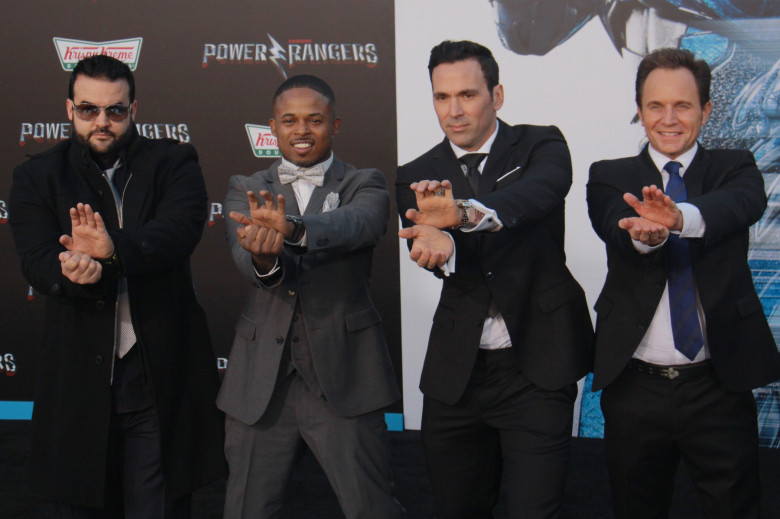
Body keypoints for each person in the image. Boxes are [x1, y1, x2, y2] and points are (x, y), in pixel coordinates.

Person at [8, 55, 225, 517]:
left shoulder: (174, 161)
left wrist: (113, 250)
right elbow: (36, 258)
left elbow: (180, 231)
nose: (102, 122)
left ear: (134, 109)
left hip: (159, 372)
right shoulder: (36, 175)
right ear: (69, 110)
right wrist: (72, 269)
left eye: (115, 110)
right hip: (80, 380)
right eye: (89, 110)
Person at [395, 40, 593, 518]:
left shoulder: (540, 144)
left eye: (467, 95)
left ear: (497, 95)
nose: (454, 110)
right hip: (457, 375)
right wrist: (439, 249)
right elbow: (426, 242)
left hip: (537, 366)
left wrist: (463, 214)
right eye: (442, 97)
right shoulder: (415, 175)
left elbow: (539, 194)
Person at [587, 47, 780, 518]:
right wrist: (647, 237)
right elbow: (615, 224)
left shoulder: (735, 167)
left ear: (706, 110)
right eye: (655, 105)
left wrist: (679, 219)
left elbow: (740, 205)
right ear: (639, 110)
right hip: (634, 388)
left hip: (719, 383)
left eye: (683, 105)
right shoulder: (610, 175)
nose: (668, 118)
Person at [217, 74, 404, 519]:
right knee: (245, 510)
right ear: (273, 127)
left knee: (372, 509)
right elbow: (250, 265)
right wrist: (265, 260)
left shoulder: (365, 183)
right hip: (260, 386)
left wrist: (296, 230)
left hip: (346, 379)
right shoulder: (246, 186)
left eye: (314, 120)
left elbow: (359, 224)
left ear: (334, 125)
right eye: (290, 120)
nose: (302, 130)